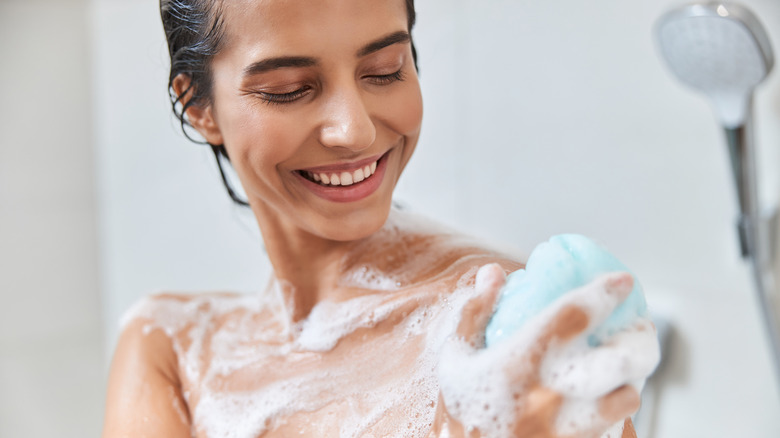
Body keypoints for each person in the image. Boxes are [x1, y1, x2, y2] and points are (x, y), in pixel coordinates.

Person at [102, 0, 657, 436]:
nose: (356, 130)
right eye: (288, 90)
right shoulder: (174, 347)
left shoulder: (501, 335)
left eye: (385, 71)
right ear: (200, 108)